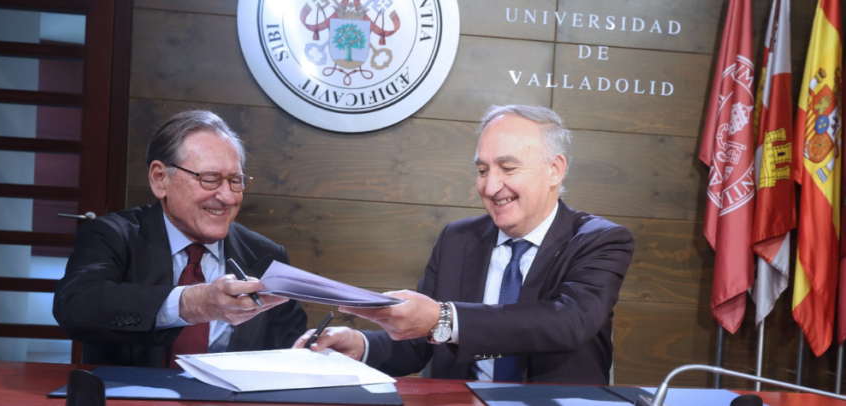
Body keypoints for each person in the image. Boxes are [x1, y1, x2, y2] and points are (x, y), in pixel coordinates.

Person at [294, 105, 634, 384]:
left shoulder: (600, 240)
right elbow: (419, 346)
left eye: (507, 168)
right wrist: (362, 345)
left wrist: (443, 318)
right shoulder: (457, 239)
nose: (490, 187)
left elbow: (567, 322)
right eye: (483, 170)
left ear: (555, 170)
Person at [54, 110, 307, 367]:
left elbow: (289, 349)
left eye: (235, 181)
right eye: (209, 179)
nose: (228, 197)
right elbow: (75, 308)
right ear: (160, 178)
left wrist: (323, 350)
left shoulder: (266, 254)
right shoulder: (113, 235)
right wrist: (192, 304)